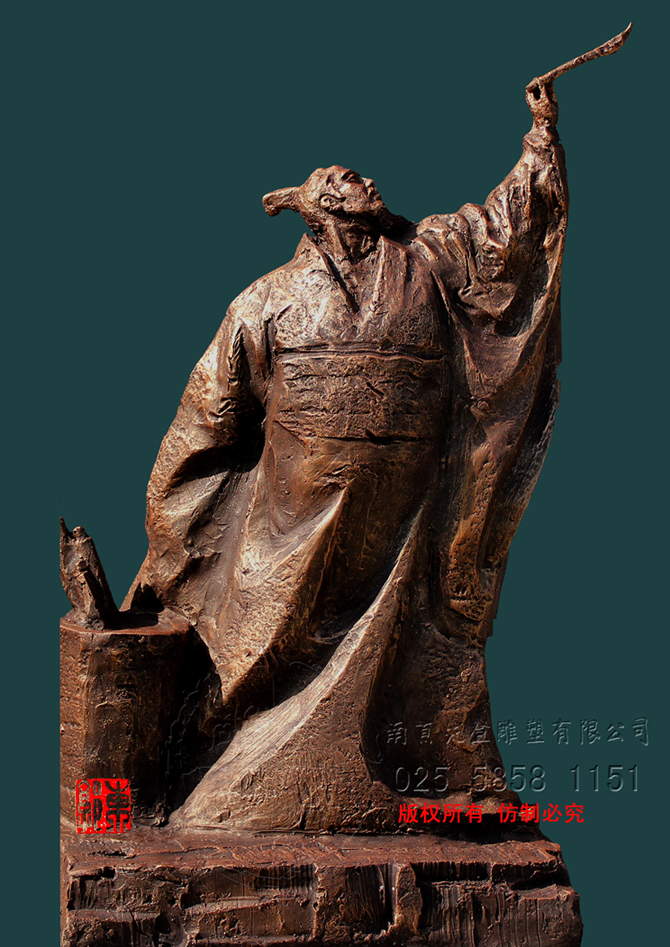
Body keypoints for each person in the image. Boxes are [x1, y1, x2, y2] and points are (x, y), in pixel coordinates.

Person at [126, 79, 567, 829]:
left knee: (429, 644)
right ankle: (212, 781)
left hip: (410, 518)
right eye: (341, 177)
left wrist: (539, 138)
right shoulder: (266, 302)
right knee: (255, 661)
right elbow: (206, 424)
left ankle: (432, 778)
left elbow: (499, 232)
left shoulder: (427, 262)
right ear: (320, 210)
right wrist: (174, 534)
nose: (360, 178)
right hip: (296, 526)